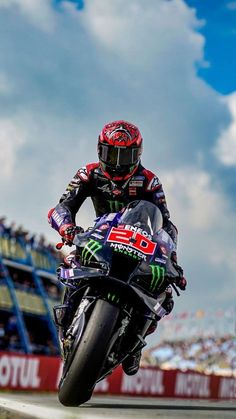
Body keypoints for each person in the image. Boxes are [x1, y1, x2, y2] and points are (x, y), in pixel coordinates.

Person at [48, 120, 187, 375]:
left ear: (138, 153)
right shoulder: (87, 173)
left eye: (126, 154)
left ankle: (135, 345)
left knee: (164, 291)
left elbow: (166, 224)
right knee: (70, 261)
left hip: (138, 243)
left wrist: (171, 258)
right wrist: (68, 228)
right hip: (100, 236)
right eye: (112, 153)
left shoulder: (149, 181)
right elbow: (62, 206)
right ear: (100, 150)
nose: (118, 161)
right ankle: (68, 315)